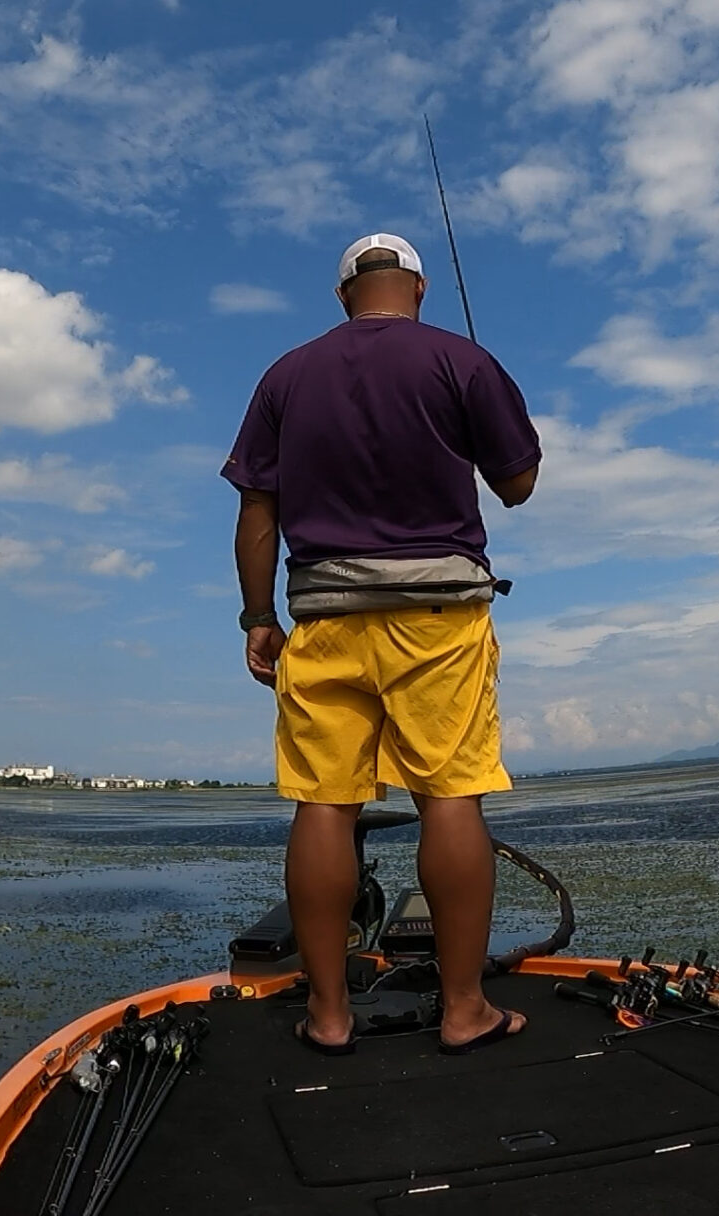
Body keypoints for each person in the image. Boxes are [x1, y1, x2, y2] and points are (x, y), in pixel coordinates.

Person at [222, 231, 543, 1055]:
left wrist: (258, 616)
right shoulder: (462, 362)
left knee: (324, 804)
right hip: (439, 622)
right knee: (451, 794)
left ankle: (329, 1017)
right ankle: (463, 1008)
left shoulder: (283, 377)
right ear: (421, 288)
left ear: (342, 296)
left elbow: (257, 511)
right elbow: (518, 486)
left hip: (324, 617)